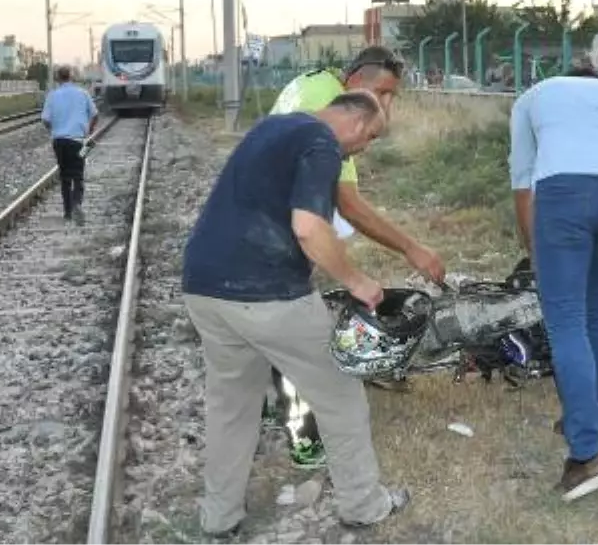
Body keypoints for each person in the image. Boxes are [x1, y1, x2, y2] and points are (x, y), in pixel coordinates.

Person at [182, 91, 410, 539]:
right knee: (340, 395)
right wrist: (356, 281)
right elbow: (309, 228)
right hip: (266, 293)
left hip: (204, 287)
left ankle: (219, 516)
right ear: (358, 123)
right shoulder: (322, 143)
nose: (364, 149)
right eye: (371, 138)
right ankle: (363, 504)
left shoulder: (273, 126)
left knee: (232, 408)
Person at [264, 47, 446, 469]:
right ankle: (304, 436)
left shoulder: (313, 82)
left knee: (267, 324)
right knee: (296, 331)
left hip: (265, 212)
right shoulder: (333, 112)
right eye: (381, 92)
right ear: (355, 79)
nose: (386, 105)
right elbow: (349, 205)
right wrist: (412, 248)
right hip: (280, 226)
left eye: (393, 96)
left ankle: (269, 402)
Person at [508, 66, 598, 502]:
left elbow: (522, 181)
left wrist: (534, 248)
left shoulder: (531, 97)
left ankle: (587, 455)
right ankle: (592, 420)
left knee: (565, 319)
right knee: (597, 309)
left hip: (565, 195)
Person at [40, 66, 98, 225]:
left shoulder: (52, 96)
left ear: (58, 78)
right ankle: (77, 203)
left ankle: (67, 212)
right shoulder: (83, 93)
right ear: (72, 77)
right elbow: (95, 114)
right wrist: (89, 130)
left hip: (59, 142)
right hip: (78, 142)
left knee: (64, 176)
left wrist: (53, 130)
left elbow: (45, 119)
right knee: (78, 174)